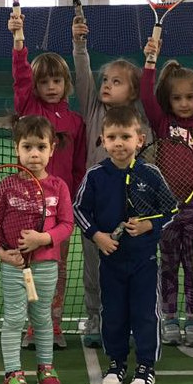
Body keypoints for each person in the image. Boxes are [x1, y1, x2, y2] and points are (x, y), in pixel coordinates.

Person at [74, 106, 175, 384]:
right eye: (112, 137)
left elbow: (171, 210)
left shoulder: (151, 174)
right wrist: (98, 236)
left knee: (145, 313)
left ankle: (145, 366)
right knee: (113, 313)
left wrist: (150, 227)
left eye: (126, 136)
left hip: (144, 261)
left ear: (139, 140)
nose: (119, 143)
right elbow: (79, 211)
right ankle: (116, 363)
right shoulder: (95, 175)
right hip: (110, 262)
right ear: (103, 141)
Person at [9, 13, 85, 349]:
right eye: (44, 82)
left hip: (58, 207)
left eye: (57, 81)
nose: (50, 87)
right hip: (24, 204)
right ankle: (31, 325)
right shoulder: (30, 110)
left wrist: (76, 200)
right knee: (27, 263)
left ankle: (52, 324)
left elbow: (80, 166)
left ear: (66, 84)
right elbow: (21, 78)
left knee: (57, 266)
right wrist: (19, 40)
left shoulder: (76, 121)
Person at [142, 40, 193, 348]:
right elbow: (145, 95)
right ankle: (170, 317)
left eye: (191, 97)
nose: (185, 103)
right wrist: (150, 60)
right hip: (166, 209)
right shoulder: (163, 123)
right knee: (167, 264)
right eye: (178, 98)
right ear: (169, 100)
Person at [0, 115, 75, 384]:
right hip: (14, 266)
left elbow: (66, 224)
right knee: (14, 319)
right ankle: (13, 374)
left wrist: (43, 239)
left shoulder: (59, 187)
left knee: (42, 318)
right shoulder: (5, 186)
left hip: (46, 265)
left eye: (41, 147)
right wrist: (2, 253)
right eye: (27, 146)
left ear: (52, 149)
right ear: (17, 149)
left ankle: (45, 369)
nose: (34, 153)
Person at [72, 20, 143, 348]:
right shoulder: (93, 108)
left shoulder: (138, 122)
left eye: (116, 82)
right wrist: (80, 45)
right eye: (106, 80)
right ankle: (95, 316)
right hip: (97, 207)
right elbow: (83, 76)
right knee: (93, 268)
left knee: (126, 268)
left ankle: (124, 318)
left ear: (132, 92)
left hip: (128, 209)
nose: (106, 85)